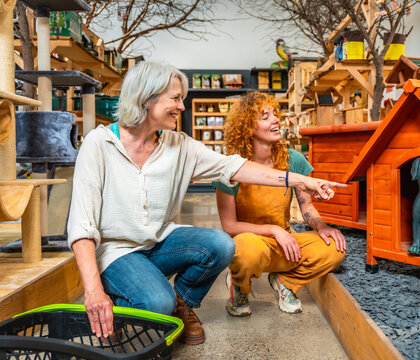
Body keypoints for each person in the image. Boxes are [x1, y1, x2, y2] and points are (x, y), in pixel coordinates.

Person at [67, 62, 345, 346]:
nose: (182, 107)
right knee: (157, 305)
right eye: (175, 99)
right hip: (117, 252)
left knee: (221, 245)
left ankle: (182, 302)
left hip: (160, 242)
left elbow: (234, 167)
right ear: (146, 98)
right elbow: (81, 225)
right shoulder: (99, 144)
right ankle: (129, 299)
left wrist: (301, 180)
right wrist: (93, 291)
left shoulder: (179, 145)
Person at [213, 92, 347, 316]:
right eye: (265, 116)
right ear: (247, 127)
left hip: (285, 245)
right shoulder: (230, 167)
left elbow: (307, 209)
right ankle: (239, 286)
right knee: (245, 249)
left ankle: (286, 282)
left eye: (275, 114)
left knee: (335, 248)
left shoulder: (293, 159)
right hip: (251, 243)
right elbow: (230, 226)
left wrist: (321, 226)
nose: (275, 119)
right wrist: (275, 230)